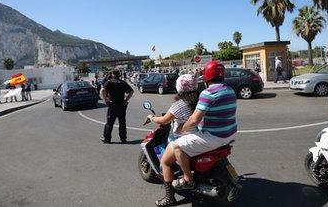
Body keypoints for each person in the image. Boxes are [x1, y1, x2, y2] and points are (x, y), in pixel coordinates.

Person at [170, 61, 237, 193]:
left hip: (213, 137)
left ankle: (188, 180)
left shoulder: (208, 93)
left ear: (206, 77)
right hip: (230, 134)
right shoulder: (230, 90)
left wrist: (181, 129)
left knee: (177, 147)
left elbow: (194, 120)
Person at [146, 74, 199, 206]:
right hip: (199, 137)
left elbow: (164, 120)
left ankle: (169, 198)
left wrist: (152, 117)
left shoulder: (179, 105)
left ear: (179, 87)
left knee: (165, 163)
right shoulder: (200, 100)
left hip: (183, 139)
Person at [100, 70, 134, 144]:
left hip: (112, 105)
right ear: (119, 74)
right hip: (121, 105)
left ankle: (107, 139)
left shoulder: (109, 82)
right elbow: (131, 91)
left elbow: (102, 90)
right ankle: (123, 139)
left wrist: (106, 100)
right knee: (122, 123)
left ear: (112, 74)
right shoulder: (123, 82)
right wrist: (126, 100)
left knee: (109, 123)